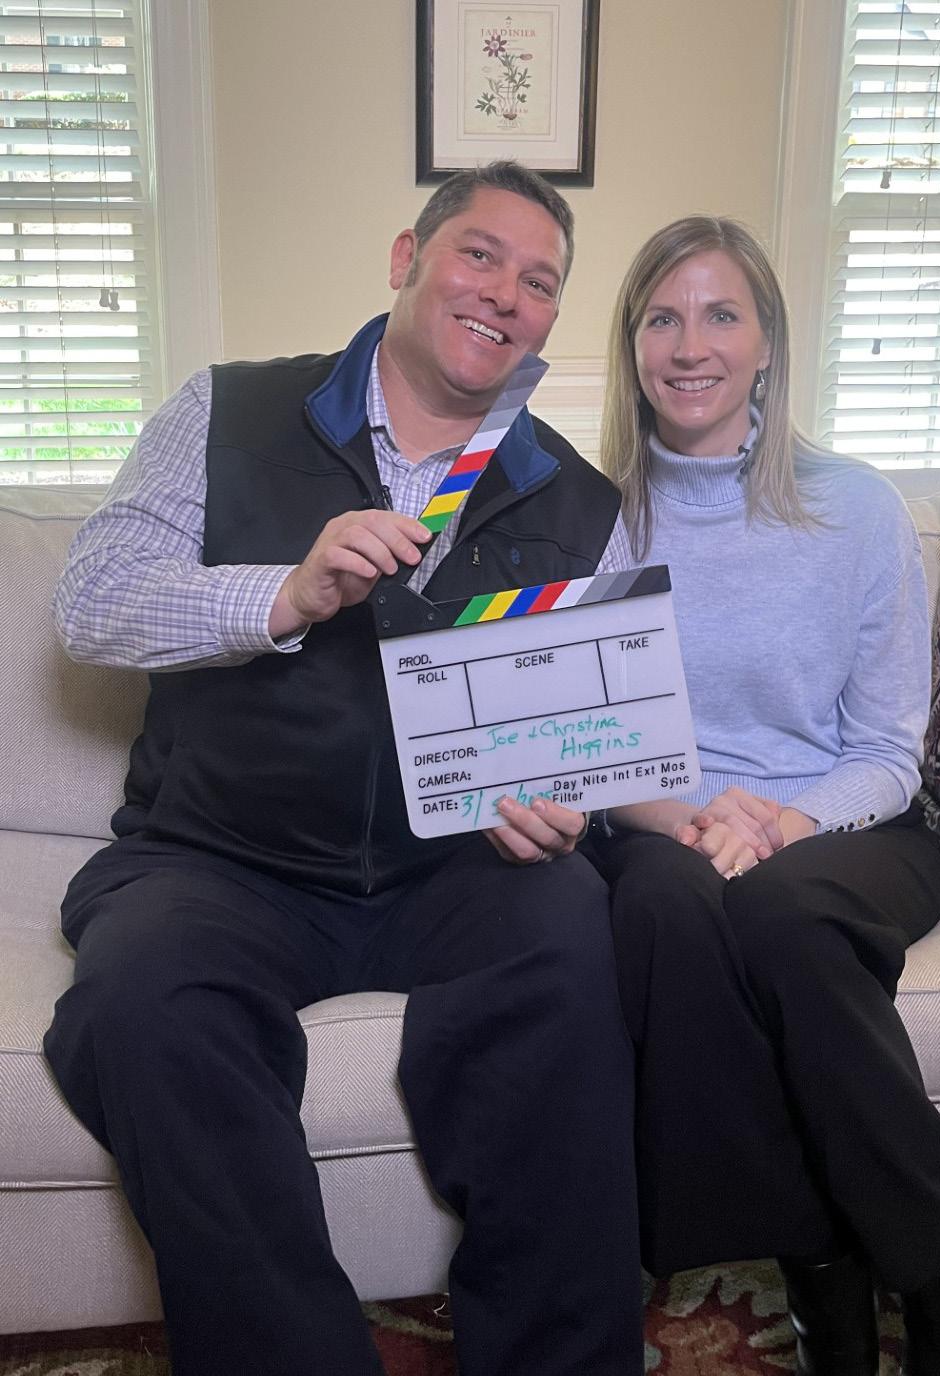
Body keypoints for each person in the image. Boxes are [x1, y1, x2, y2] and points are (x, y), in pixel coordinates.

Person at [44, 161, 645, 1376]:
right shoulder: (225, 410)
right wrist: (287, 591)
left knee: (577, 939)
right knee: (140, 999)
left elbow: (595, 735)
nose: (507, 293)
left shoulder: (581, 501)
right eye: (480, 254)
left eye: (540, 282)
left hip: (455, 870)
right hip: (220, 859)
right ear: (406, 259)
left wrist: (564, 806)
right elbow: (91, 602)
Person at [593, 216, 940, 1376]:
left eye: (721, 314)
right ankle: (823, 1269)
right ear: (632, 345)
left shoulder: (854, 506)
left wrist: (780, 818)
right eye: (663, 318)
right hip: (669, 826)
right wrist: (697, 815)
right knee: (662, 912)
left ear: (767, 339)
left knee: (781, 910)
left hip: (848, 821)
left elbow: (886, 747)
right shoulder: (592, 516)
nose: (690, 345)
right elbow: (594, 743)